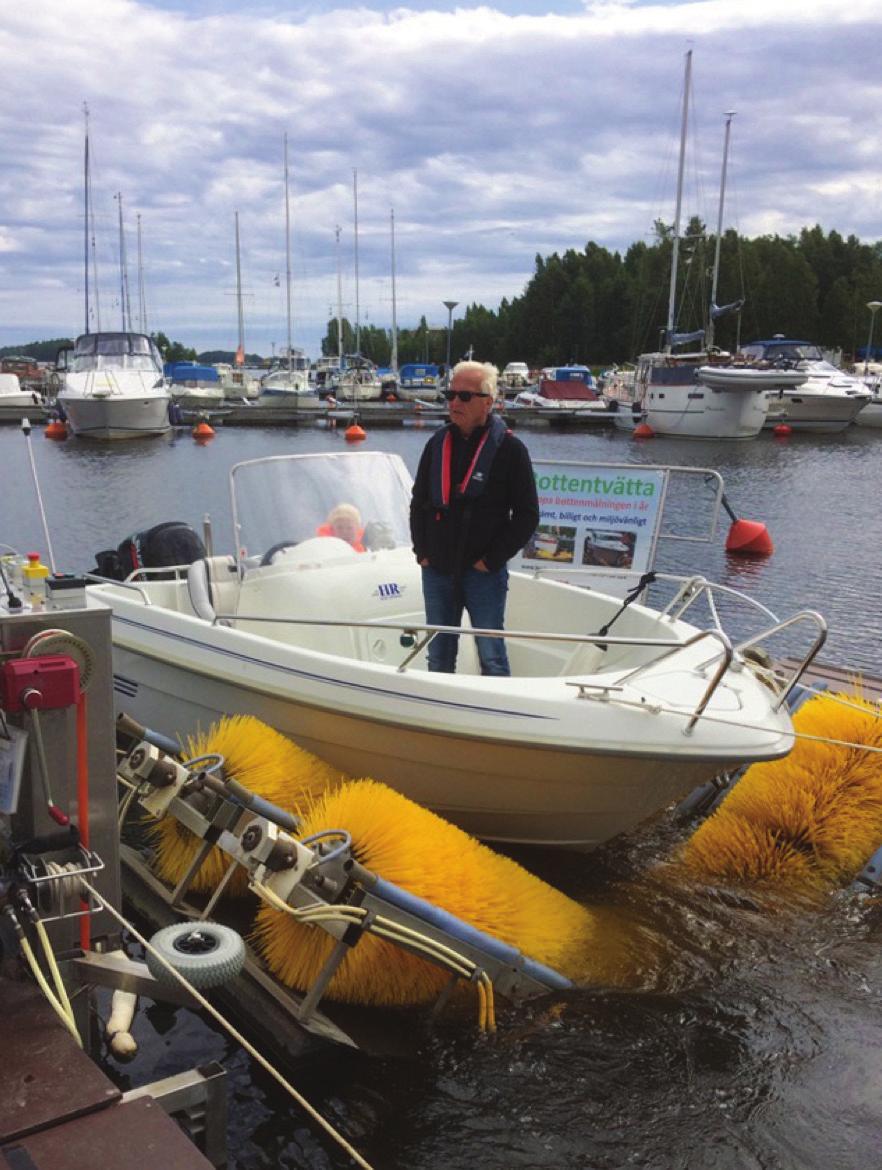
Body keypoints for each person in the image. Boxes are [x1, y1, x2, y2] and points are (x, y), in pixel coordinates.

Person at [410, 359, 539, 676]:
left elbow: (527, 515)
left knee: (492, 656)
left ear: (488, 402)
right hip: (437, 569)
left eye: (464, 396)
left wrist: (491, 561)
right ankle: (439, 717)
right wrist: (422, 552)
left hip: (483, 574)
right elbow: (419, 503)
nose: (455, 402)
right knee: (438, 655)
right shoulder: (436, 444)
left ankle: (498, 721)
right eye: (450, 394)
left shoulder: (511, 450)